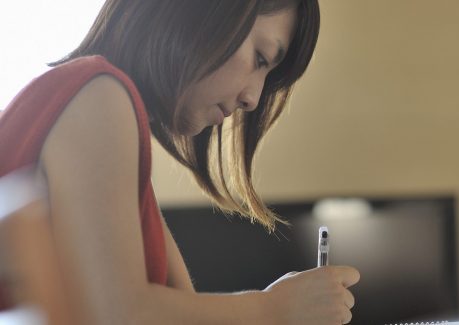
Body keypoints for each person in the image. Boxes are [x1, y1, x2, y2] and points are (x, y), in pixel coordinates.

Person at [0, 0, 360, 324]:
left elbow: (174, 307)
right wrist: (273, 309)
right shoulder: (98, 95)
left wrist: (284, 307)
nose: (253, 98)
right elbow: (117, 315)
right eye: (260, 58)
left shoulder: (109, 118)